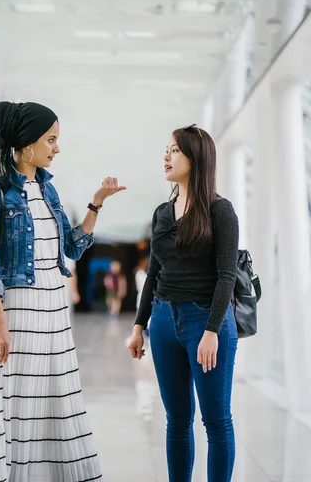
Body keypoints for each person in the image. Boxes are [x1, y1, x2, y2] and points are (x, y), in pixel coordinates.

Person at [0, 101, 126, 482]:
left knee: (58, 399)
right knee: (18, 403)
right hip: (17, 312)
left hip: (54, 311)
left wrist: (96, 204)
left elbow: (72, 249)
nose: (57, 149)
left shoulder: (50, 193)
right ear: (27, 145)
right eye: (51, 140)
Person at [127, 124, 239, 482]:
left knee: (216, 420)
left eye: (174, 150)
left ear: (196, 158)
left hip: (206, 321)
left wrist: (211, 331)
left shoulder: (220, 210)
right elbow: (153, 273)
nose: (166, 156)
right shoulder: (162, 211)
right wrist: (138, 326)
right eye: (167, 149)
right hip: (163, 320)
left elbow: (227, 275)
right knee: (176, 419)